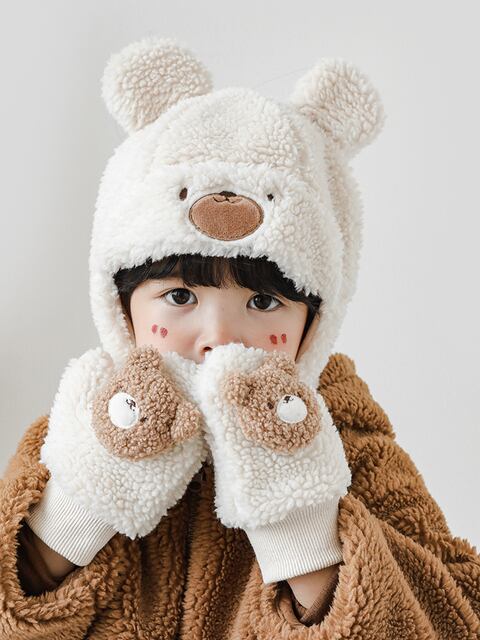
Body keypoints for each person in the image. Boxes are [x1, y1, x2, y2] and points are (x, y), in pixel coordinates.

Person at [1, 36, 478, 639]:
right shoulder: (79, 428)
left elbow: (456, 616)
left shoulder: (352, 440)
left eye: (262, 302)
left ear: (316, 320)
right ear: (121, 304)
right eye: (180, 298)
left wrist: (300, 521)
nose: (220, 338)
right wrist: (88, 497)